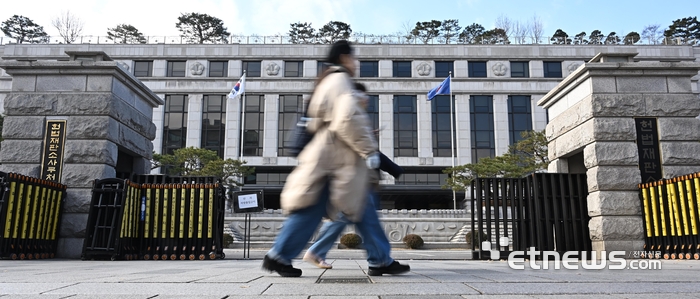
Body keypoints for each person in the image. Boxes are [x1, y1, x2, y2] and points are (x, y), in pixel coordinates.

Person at [262, 40, 387, 277]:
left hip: (331, 159)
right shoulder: (339, 80)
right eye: (354, 57)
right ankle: (279, 255)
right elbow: (348, 118)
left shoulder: (329, 80)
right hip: (333, 161)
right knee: (314, 208)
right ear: (343, 57)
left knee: (357, 206)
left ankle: (381, 258)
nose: (356, 63)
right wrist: (369, 151)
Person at [302, 83, 408, 277]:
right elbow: (364, 146)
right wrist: (392, 167)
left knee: (356, 218)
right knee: (353, 217)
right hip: (354, 180)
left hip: (356, 179)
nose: (366, 98)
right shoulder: (349, 112)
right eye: (363, 94)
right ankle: (379, 260)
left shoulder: (347, 113)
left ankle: (378, 260)